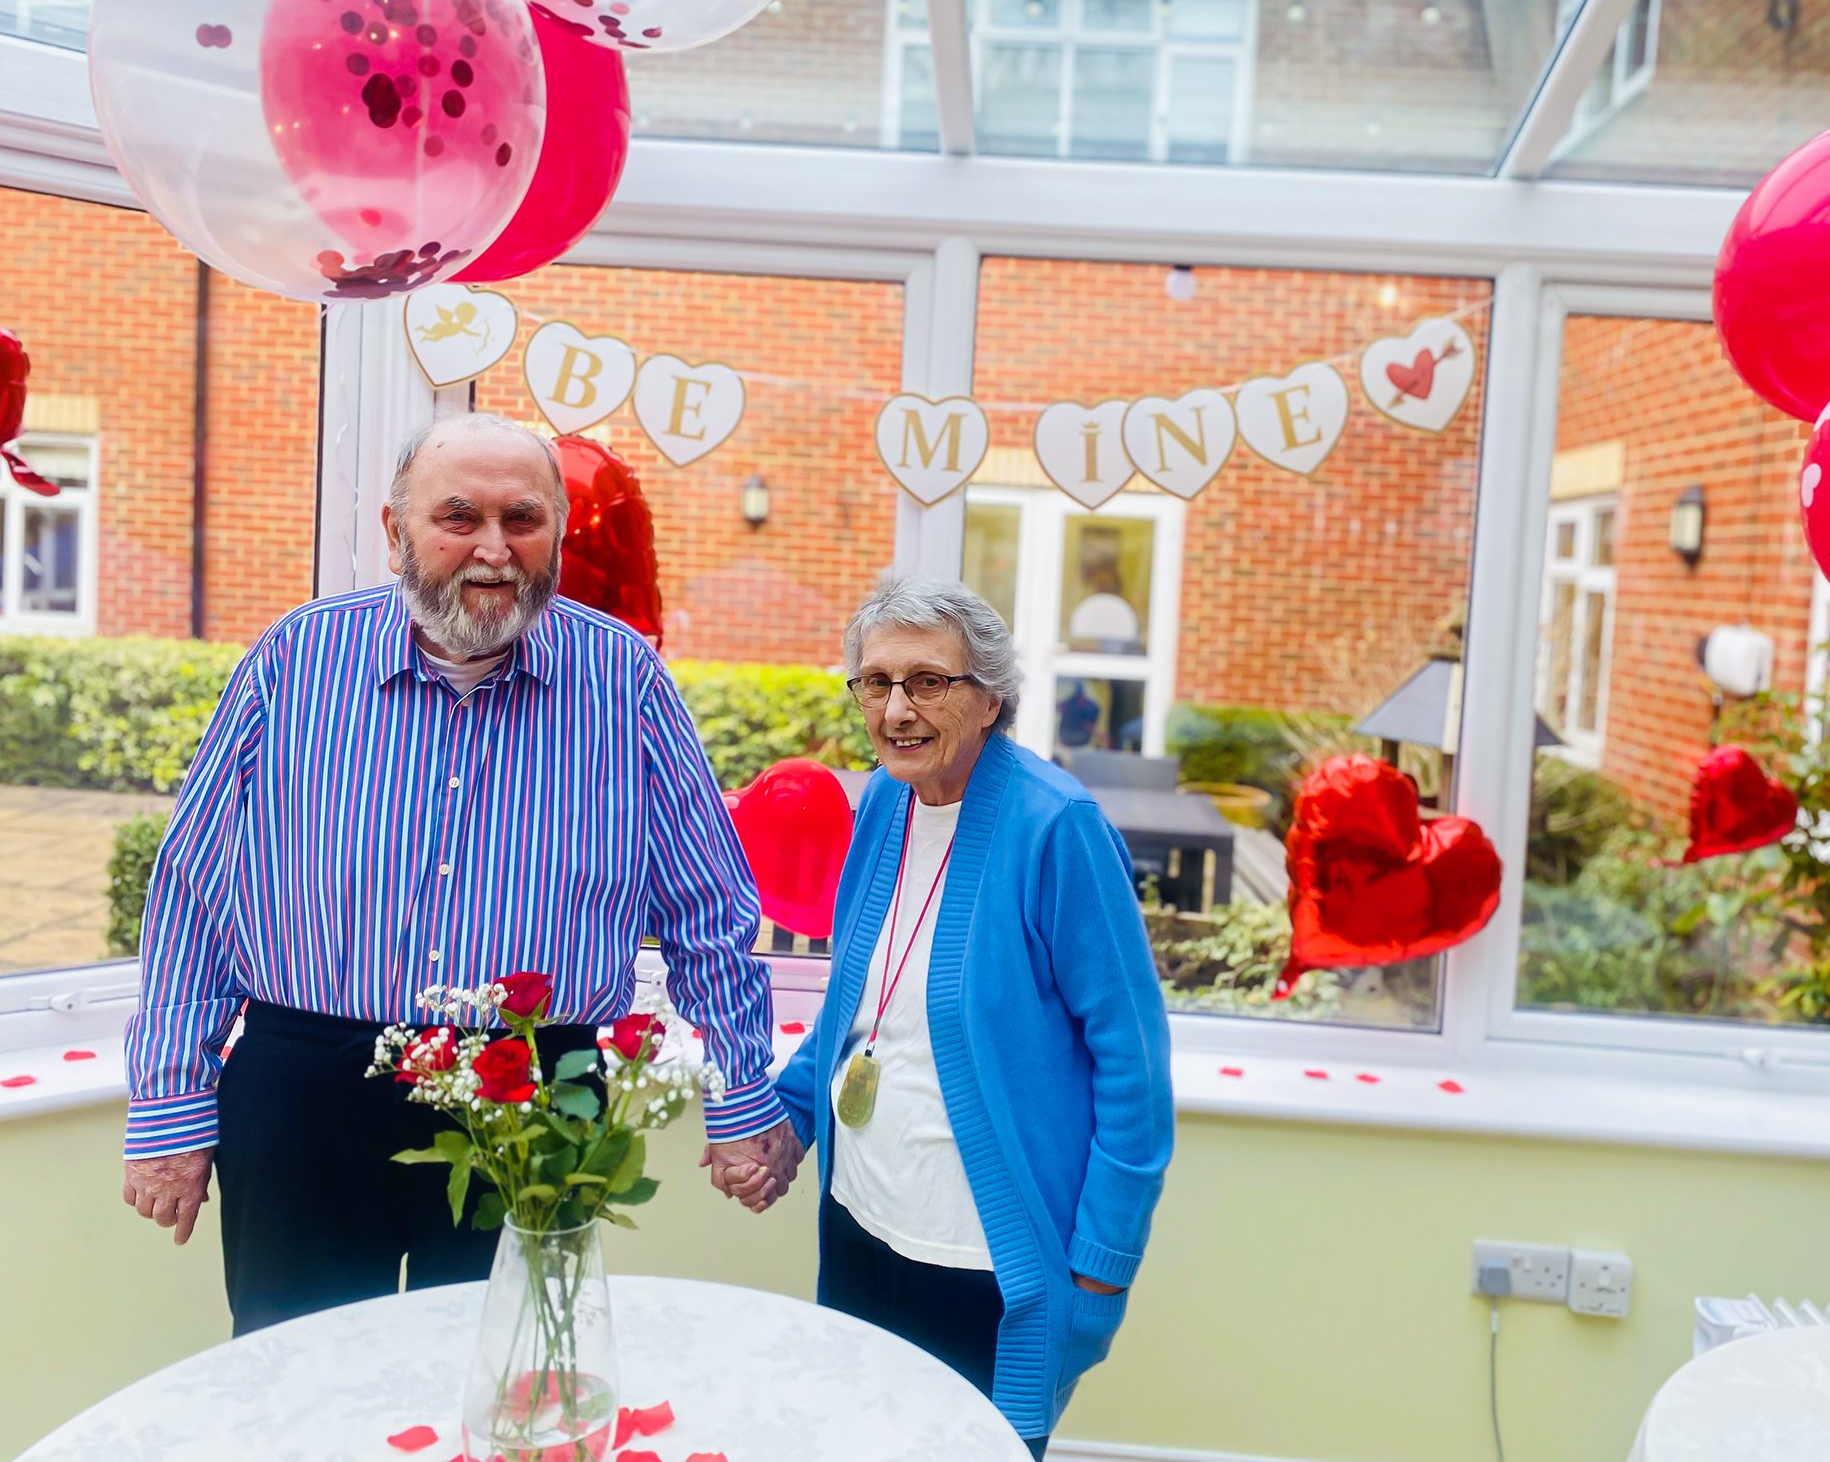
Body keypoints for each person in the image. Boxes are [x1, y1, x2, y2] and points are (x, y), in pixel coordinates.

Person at [120, 412, 803, 1335]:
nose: (493, 549)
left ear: (557, 532)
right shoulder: (295, 658)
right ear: (396, 531)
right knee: (301, 1384)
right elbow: (194, 893)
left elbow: (706, 912)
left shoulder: (625, 680)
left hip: (533, 1091)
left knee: (513, 1377)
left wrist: (741, 1096)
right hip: (308, 1088)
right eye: (458, 517)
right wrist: (169, 1104)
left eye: (522, 519)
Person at [721, 577, 1174, 1458]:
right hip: (862, 1223)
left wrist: (1100, 1265)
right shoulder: (887, 803)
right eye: (875, 682)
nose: (896, 708)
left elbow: (1135, 1068)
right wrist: (787, 1123)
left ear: (990, 696)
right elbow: (858, 1009)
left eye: (928, 681)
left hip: (985, 1264)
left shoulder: (1058, 828)